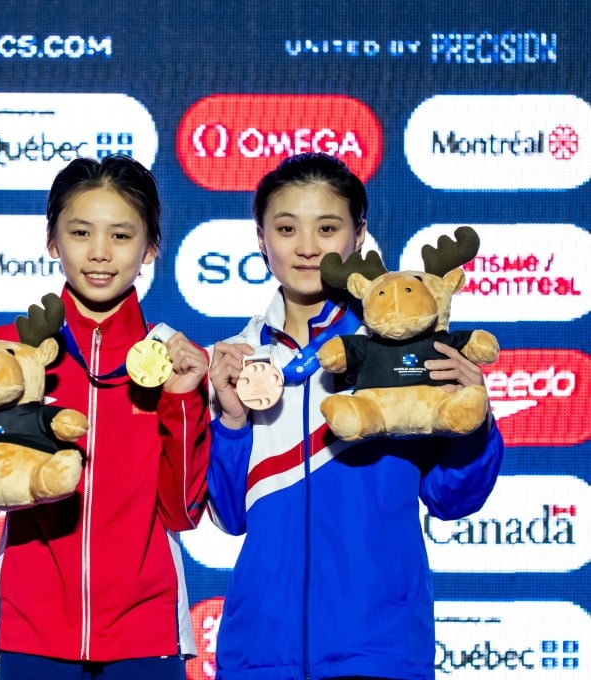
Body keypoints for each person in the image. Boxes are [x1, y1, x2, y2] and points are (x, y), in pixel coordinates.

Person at [0, 154, 211, 679]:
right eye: (79, 232)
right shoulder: (7, 359)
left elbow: (181, 511)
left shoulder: (172, 359)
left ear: (151, 247)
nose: (99, 253)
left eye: (120, 236)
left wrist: (183, 400)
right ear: (52, 242)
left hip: (145, 633)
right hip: (30, 631)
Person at [206, 152, 504, 680]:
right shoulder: (238, 356)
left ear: (359, 234)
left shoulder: (403, 349)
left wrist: (472, 421)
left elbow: (450, 497)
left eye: (327, 227)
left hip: (380, 650)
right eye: (285, 227)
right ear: (260, 238)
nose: (306, 246)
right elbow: (231, 516)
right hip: (259, 653)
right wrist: (229, 423)